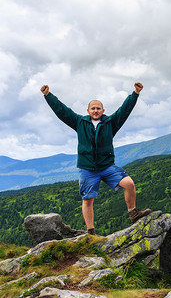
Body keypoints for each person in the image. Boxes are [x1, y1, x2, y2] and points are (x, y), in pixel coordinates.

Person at [40, 82, 151, 235]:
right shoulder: (80, 122)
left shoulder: (110, 123)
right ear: (88, 111)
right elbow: (62, 111)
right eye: (93, 108)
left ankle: (133, 213)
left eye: (98, 108)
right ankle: (91, 232)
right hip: (88, 168)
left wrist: (135, 93)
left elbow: (124, 111)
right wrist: (48, 95)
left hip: (107, 166)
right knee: (87, 200)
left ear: (103, 110)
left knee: (129, 184)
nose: (96, 110)